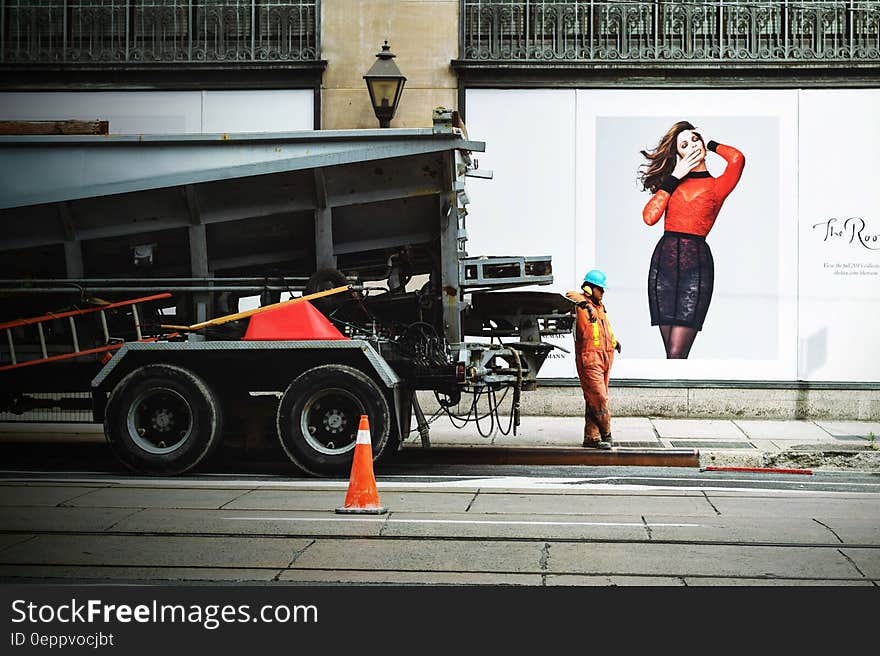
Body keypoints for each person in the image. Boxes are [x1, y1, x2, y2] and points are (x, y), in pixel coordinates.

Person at [639, 121, 745, 359]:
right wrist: (675, 175)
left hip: (695, 268)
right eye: (684, 145)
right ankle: (671, 396)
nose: (693, 146)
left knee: (677, 352)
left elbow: (737, 158)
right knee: (670, 353)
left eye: (695, 139)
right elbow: (649, 217)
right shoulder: (671, 184)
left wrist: (710, 143)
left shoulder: (718, 186)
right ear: (678, 155)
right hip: (663, 265)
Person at [566, 269, 621, 449]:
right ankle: (607, 433)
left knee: (593, 398)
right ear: (590, 288)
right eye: (601, 289)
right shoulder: (580, 305)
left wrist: (614, 342)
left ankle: (592, 437)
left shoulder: (600, 307)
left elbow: (605, 329)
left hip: (605, 357)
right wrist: (585, 303)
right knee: (599, 398)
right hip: (590, 359)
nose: (603, 293)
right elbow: (570, 295)